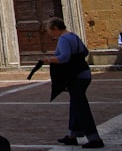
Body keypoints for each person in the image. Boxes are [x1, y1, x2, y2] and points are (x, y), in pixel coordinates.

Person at [43, 17, 104, 148]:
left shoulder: (63, 39)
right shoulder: (73, 36)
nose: (52, 35)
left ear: (55, 28)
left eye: (51, 32)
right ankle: (72, 135)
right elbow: (85, 51)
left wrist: (49, 59)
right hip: (84, 74)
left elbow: (64, 57)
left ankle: (95, 138)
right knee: (76, 104)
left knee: (81, 107)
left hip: (75, 77)